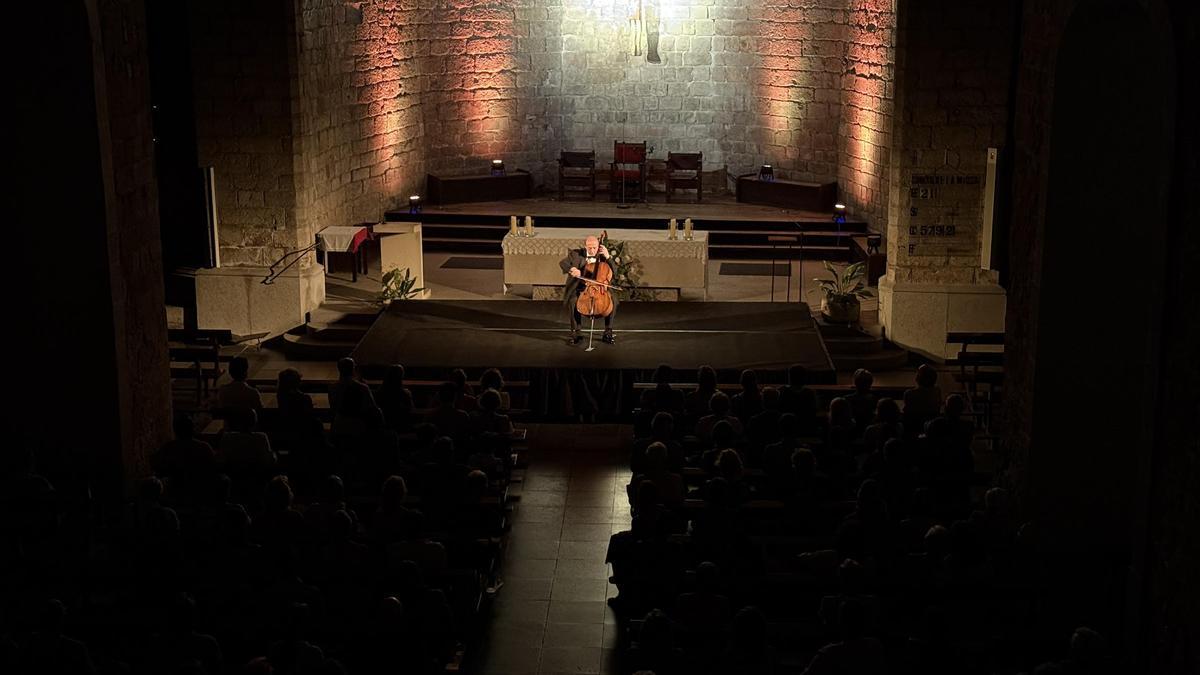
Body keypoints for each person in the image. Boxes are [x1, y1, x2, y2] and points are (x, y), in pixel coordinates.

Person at [560, 234, 616, 344]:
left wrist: (608, 257)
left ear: (598, 246)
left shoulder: (603, 256)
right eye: (589, 248)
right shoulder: (576, 254)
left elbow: (615, 271)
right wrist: (572, 269)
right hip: (580, 287)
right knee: (573, 301)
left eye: (594, 247)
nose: (592, 250)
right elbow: (563, 263)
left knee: (613, 300)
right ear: (585, 246)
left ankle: (608, 331)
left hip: (600, 288)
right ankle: (576, 332)